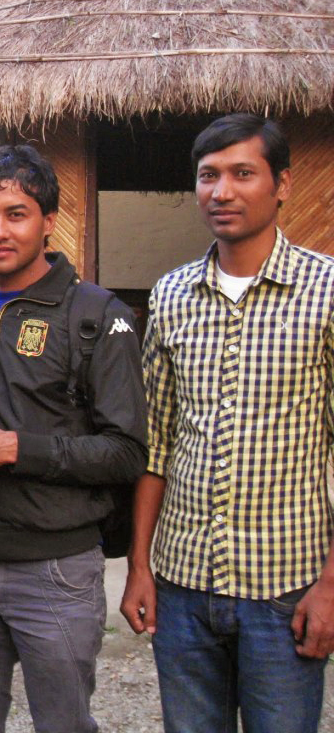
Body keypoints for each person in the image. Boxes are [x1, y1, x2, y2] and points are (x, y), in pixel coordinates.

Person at [0, 144, 147, 733]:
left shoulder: (96, 315)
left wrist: (12, 449)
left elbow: (126, 453)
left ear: (48, 222)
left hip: (57, 573)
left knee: (64, 726)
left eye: (16, 213)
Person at [121, 113, 334, 732]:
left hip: (285, 587)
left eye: (243, 173)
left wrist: (329, 584)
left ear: (283, 183)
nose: (223, 191)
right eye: (209, 176)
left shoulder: (325, 291)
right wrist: (140, 566)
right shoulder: (170, 295)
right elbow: (154, 443)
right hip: (183, 585)